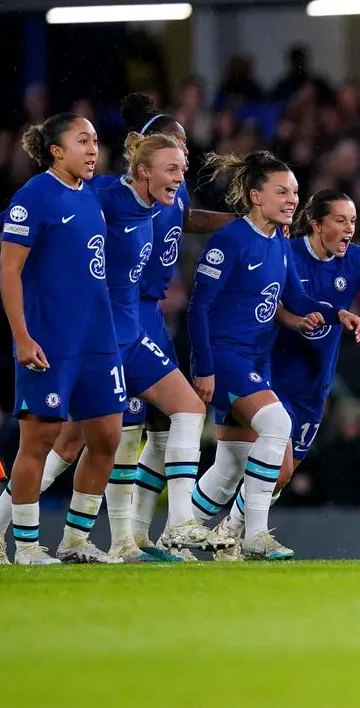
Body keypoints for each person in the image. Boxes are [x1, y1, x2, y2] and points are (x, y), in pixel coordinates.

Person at [212, 189, 360, 557]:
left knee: (281, 475)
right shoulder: (288, 252)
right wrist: (296, 320)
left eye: (353, 221)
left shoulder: (356, 259)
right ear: (316, 224)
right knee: (271, 463)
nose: (350, 228)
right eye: (341, 220)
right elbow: (274, 302)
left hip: (314, 386)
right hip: (273, 375)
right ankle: (236, 534)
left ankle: (229, 533)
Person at [183, 150, 359, 561]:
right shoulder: (230, 240)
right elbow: (198, 308)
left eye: (295, 192)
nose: (292, 200)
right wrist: (204, 368)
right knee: (277, 424)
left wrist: (336, 313)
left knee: (228, 470)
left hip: (256, 360)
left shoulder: (278, 240)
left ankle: (179, 534)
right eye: (282, 191)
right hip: (227, 358)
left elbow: (292, 295)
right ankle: (255, 535)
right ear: (254, 196)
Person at [0, 114, 126, 564]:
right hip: (50, 340)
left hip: (99, 339)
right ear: (56, 150)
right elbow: (9, 270)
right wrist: (22, 337)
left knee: (106, 437)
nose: (92, 149)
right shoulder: (34, 196)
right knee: (38, 441)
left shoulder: (91, 195)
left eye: (96, 141)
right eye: (81, 141)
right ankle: (24, 546)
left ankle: (76, 540)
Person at [115, 93, 235, 557]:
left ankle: (137, 536)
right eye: (173, 145)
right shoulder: (121, 194)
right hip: (125, 316)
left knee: (160, 425)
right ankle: (139, 534)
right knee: (97, 436)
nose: (183, 154)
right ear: (147, 154)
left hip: (151, 314)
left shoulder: (172, 188)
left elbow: (186, 219)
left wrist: (244, 222)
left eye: (184, 146)